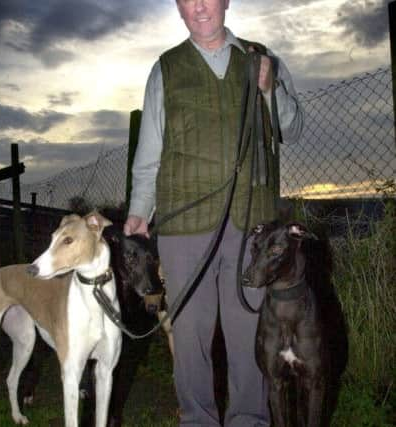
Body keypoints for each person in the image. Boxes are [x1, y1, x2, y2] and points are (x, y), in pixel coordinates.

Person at [124, 0, 304, 426]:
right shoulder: (164, 69)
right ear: (178, 8)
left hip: (252, 231)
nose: (199, 6)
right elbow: (149, 154)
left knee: (249, 341)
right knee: (190, 342)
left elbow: (291, 130)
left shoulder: (262, 60)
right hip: (185, 230)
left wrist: (269, 89)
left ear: (225, 1)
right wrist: (138, 211)